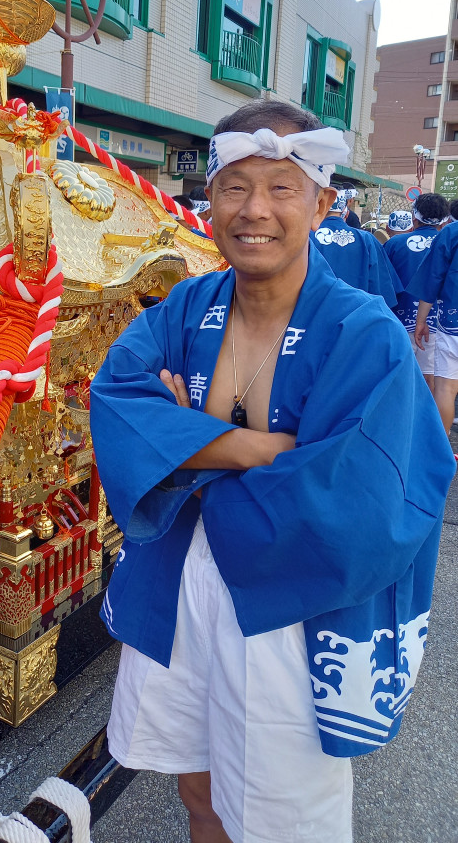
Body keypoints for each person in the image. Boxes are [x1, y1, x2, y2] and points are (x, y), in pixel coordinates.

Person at [90, 100, 454, 843]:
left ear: (322, 202)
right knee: (196, 791)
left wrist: (187, 446)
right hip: (178, 581)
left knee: (282, 821)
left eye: (282, 187)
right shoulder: (188, 305)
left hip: (291, 601)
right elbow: (117, 399)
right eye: (235, 186)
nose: (255, 210)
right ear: (210, 200)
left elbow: (359, 498)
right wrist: (262, 448)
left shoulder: (364, 333)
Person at [384, 194, 448, 393]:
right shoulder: (449, 244)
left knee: (399, 379)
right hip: (443, 322)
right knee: (435, 383)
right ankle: (433, 423)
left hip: (401, 321)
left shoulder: (395, 244)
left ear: (415, 216)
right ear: (445, 219)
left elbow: (384, 285)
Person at [410, 212, 458, 434]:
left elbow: (432, 280)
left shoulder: (451, 233)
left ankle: (441, 454)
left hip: (452, 321)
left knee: (446, 389)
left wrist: (421, 320)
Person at [310, 188, 401, 305]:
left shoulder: (305, 236)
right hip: (357, 314)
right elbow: (383, 288)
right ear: (346, 213)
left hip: (311, 312)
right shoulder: (366, 239)